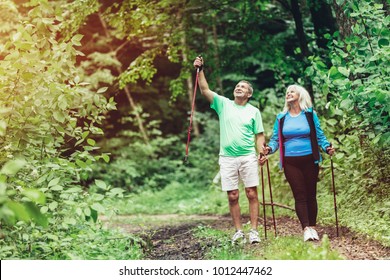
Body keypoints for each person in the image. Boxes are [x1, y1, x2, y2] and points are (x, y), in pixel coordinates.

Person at [193, 56, 266, 245]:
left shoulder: (254, 111)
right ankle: (239, 231)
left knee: (251, 192)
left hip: (248, 156)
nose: (238, 87)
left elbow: (259, 135)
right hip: (227, 158)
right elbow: (204, 89)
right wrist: (200, 70)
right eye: (237, 86)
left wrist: (261, 152)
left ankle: (254, 231)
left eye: (243, 87)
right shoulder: (223, 104)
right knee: (232, 195)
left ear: (249, 94)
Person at [260, 84, 335, 242]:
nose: (288, 94)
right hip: (290, 162)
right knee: (299, 195)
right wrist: (269, 149)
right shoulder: (281, 118)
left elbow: (319, 135)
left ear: (300, 95)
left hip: (310, 159)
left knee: (310, 194)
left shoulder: (309, 115)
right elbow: (275, 140)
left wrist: (327, 147)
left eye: (292, 91)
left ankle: (313, 228)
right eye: (287, 92)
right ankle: (306, 228)